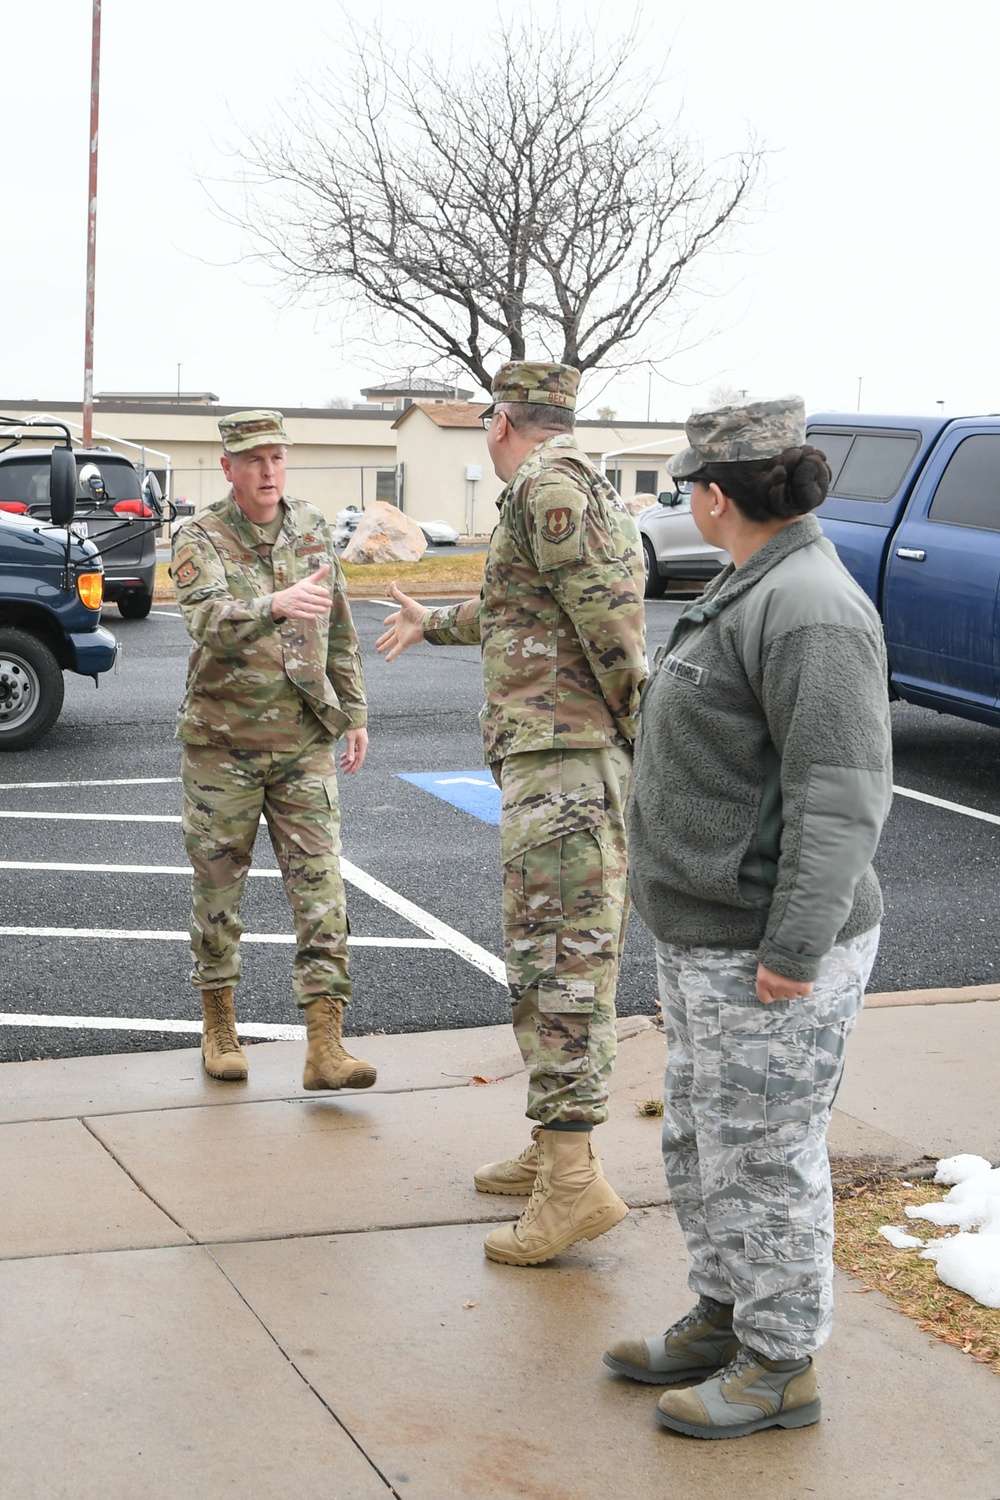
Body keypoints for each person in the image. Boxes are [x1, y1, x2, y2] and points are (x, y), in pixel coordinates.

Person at [602, 396, 893, 1438]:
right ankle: (725, 1316)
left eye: (688, 483)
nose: (686, 497)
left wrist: (793, 947)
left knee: (766, 1154)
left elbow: (842, 790)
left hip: (765, 944)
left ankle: (780, 1366)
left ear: (716, 495)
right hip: (707, 935)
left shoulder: (809, 608)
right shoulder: (750, 582)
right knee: (703, 1140)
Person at [376, 362, 648, 1266]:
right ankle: (553, 1151)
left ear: (500, 421)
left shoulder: (549, 488)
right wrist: (435, 620)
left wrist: (640, 740)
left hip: (568, 768)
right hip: (552, 764)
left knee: (563, 972)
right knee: (541, 965)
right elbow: (529, 612)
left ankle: (573, 1184)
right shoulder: (561, 485)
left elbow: (611, 627)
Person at [170, 409, 376, 1092]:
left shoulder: (313, 528)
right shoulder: (199, 535)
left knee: (323, 892)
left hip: (302, 743)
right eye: (253, 460)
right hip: (222, 746)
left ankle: (326, 1044)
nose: (267, 472)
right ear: (227, 467)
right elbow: (205, 618)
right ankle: (220, 1025)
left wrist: (353, 711)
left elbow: (338, 627)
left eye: (277, 458)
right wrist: (273, 603)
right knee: (219, 894)